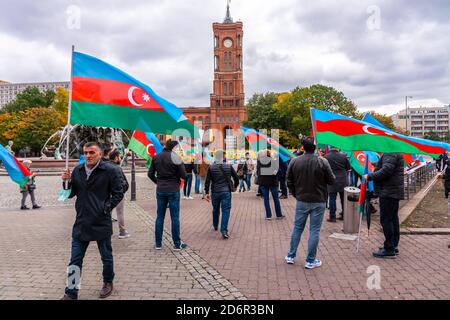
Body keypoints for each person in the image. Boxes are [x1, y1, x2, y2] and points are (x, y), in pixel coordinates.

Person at [61, 142, 125, 300]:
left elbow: (120, 191)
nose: (88, 155)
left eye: (92, 152)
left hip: (101, 220)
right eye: (86, 153)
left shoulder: (111, 170)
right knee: (75, 259)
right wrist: (66, 182)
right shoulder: (78, 170)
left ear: (100, 154)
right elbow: (70, 194)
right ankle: (71, 292)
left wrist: (105, 208)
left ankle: (108, 282)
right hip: (82, 221)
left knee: (106, 256)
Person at [285, 137, 335, 268]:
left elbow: (288, 181)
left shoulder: (295, 161)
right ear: (315, 148)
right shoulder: (322, 161)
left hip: (302, 199)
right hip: (318, 200)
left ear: (302, 147)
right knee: (314, 230)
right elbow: (331, 180)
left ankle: (291, 255)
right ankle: (310, 260)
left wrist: (296, 194)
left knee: (298, 228)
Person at [148, 140, 188, 250]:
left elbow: (150, 174)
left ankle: (158, 243)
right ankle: (176, 244)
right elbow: (184, 175)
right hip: (173, 189)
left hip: (161, 189)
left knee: (160, 217)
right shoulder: (176, 157)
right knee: (174, 217)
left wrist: (158, 182)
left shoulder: (156, 157)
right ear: (174, 148)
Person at [364, 153, 404, 259]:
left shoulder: (390, 151)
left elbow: (386, 170)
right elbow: (389, 166)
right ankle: (393, 245)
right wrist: (378, 164)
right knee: (393, 219)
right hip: (392, 191)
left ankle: (389, 249)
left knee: (386, 220)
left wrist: (369, 176)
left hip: (388, 191)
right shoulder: (393, 151)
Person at [204, 150, 239, 239]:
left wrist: (207, 192)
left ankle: (215, 225)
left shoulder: (211, 167)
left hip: (215, 192)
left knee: (215, 209)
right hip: (226, 191)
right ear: (223, 157)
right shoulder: (228, 166)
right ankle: (224, 230)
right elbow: (236, 178)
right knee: (226, 210)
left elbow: (207, 181)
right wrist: (234, 187)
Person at [324, 147, 351, 222]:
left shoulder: (326, 157)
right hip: (343, 180)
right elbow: (348, 168)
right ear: (337, 148)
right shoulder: (343, 156)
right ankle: (344, 215)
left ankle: (332, 217)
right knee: (343, 199)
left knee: (332, 199)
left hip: (331, 180)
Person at [257, 149, 284, 220]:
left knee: (266, 199)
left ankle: (268, 216)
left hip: (263, 183)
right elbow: (279, 172)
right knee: (276, 198)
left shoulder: (259, 162)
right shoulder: (273, 161)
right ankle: (279, 215)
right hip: (273, 182)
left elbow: (258, 173)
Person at [109, 150, 130, 239]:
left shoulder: (106, 166)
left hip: (107, 193)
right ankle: (122, 232)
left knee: (108, 211)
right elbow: (122, 183)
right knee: (120, 212)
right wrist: (123, 190)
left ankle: (107, 231)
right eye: (119, 156)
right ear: (116, 157)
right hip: (117, 194)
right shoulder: (117, 168)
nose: (120, 158)